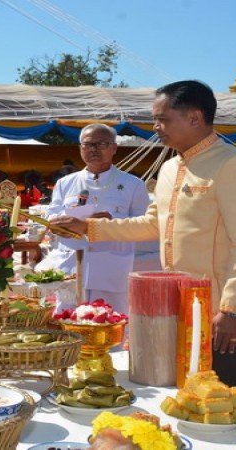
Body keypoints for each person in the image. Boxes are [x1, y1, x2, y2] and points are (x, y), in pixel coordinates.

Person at [50, 80, 236, 401]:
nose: (155, 127)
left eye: (163, 119)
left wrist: (233, 311)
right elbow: (152, 224)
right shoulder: (169, 169)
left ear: (194, 118)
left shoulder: (233, 164)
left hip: (219, 310)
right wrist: (88, 228)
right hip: (175, 302)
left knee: (229, 400)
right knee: (184, 392)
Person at [35, 123, 149, 317]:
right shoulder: (65, 183)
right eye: (88, 145)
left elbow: (145, 225)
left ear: (114, 148)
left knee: (111, 327)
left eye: (101, 144)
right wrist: (60, 222)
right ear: (80, 149)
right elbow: (51, 216)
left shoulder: (133, 185)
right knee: (68, 325)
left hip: (111, 268)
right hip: (72, 268)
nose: (94, 149)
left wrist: (112, 219)